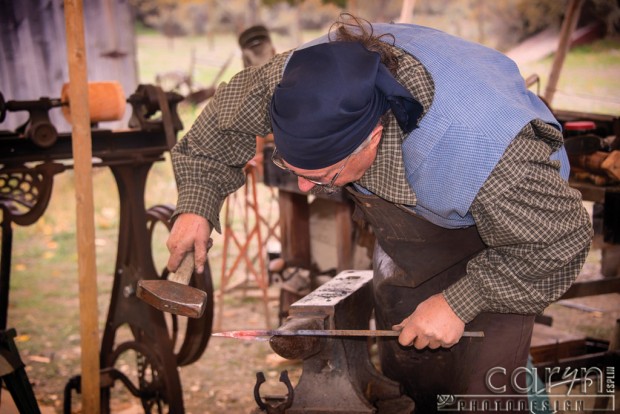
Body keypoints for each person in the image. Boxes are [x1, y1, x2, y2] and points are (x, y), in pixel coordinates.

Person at [166, 14, 593, 412]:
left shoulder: (480, 150)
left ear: (371, 139)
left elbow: (558, 240)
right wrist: (197, 206)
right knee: (410, 372)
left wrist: (459, 302)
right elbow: (217, 130)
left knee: (483, 391)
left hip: (510, 238)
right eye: (291, 169)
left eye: (321, 175)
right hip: (413, 234)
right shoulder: (292, 81)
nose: (303, 188)